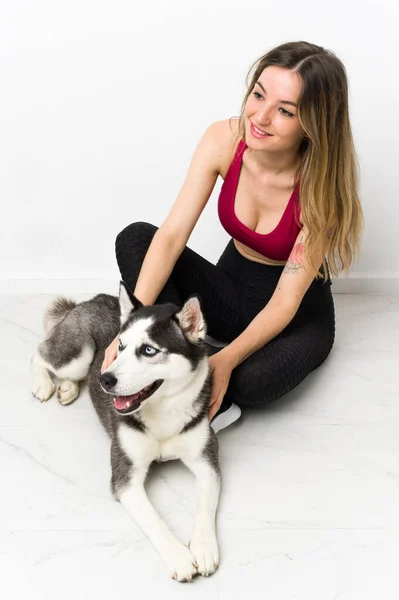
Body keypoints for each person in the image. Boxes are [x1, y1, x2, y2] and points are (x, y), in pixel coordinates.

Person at [101, 41, 364, 433]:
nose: (260, 116)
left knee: (251, 382)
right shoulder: (224, 139)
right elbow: (171, 236)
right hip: (230, 288)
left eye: (285, 111)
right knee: (136, 238)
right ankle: (178, 352)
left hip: (295, 313)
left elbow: (284, 302)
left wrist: (225, 362)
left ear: (313, 122)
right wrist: (129, 331)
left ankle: (201, 370)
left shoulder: (321, 188)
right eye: (258, 94)